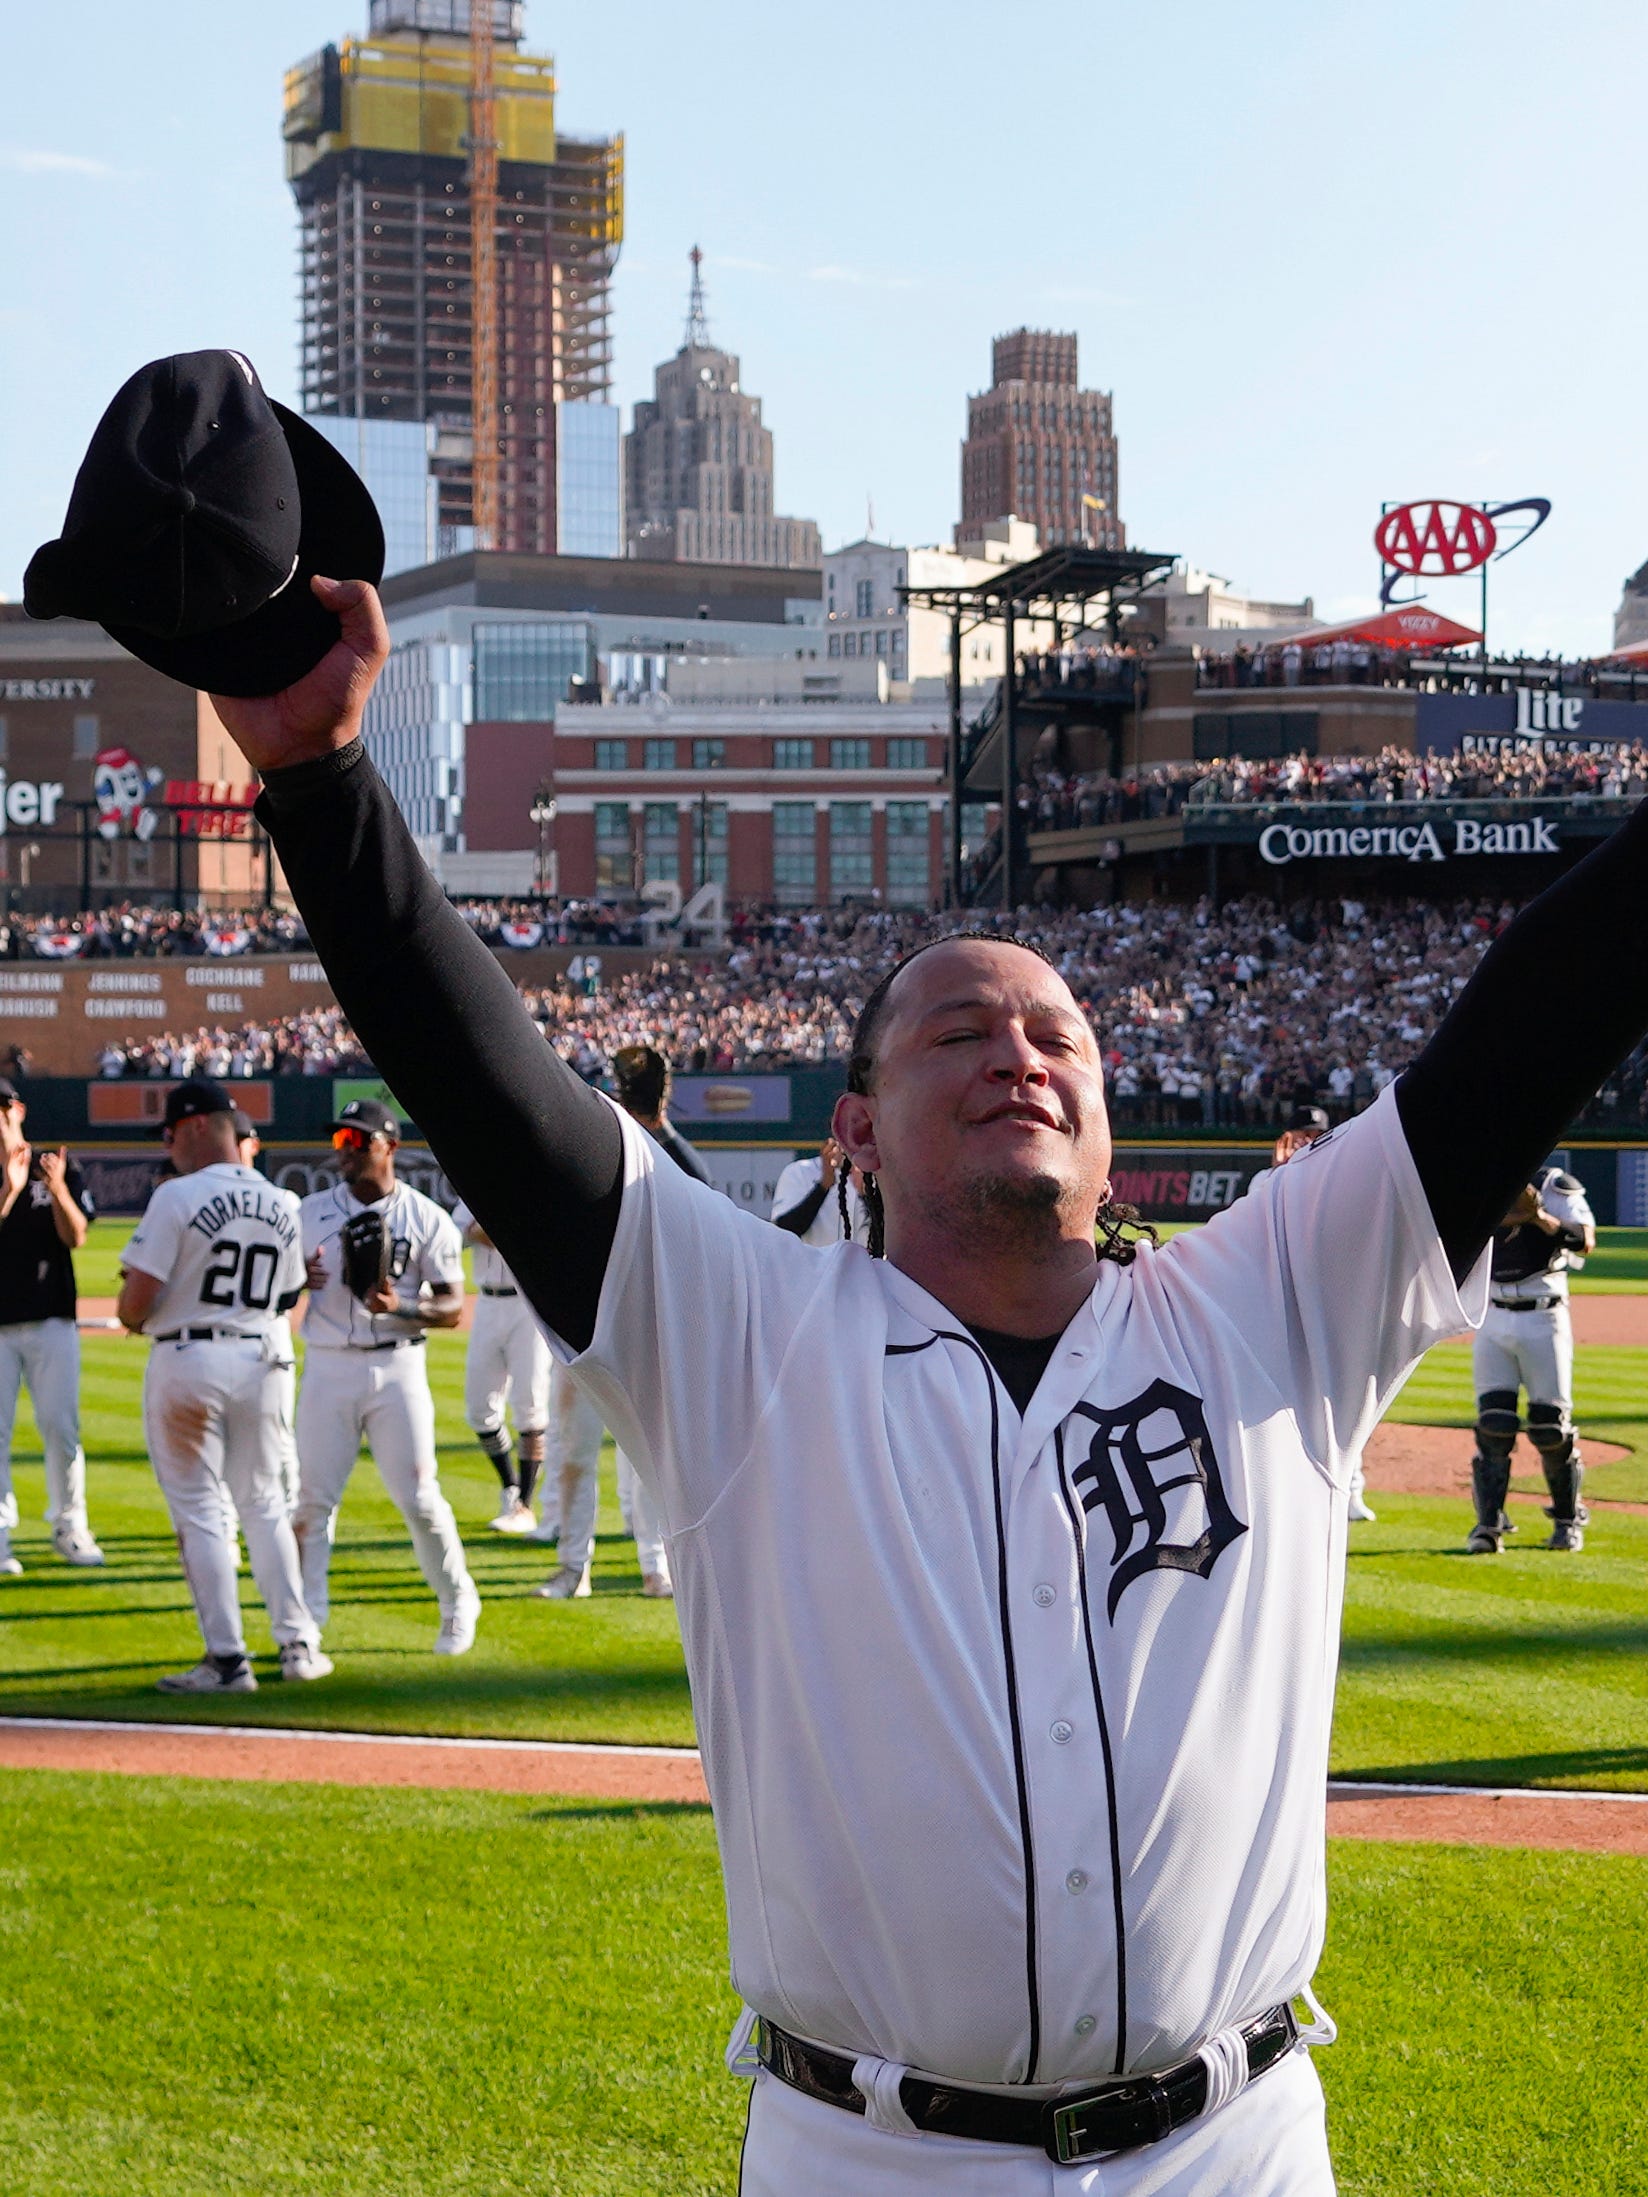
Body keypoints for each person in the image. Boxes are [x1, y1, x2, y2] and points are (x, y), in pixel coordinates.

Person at [208, 575, 1648, 2192]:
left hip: (1230, 2147)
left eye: (1054, 1037)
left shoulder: (1271, 1300)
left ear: (1104, 1132)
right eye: (956, 1031)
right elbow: (498, 1099)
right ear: (859, 1131)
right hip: (872, 2157)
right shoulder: (745, 1336)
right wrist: (321, 780)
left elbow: (1539, 1010)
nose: (1015, 1052)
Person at [115, 1080, 327, 1692]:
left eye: (173, 1130)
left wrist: (138, 1313)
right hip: (264, 1358)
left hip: (189, 1361)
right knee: (265, 1506)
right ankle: (298, 1647)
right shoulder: (286, 1203)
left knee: (203, 1512)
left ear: (203, 1125)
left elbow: (136, 1303)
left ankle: (228, 1660)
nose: (168, 1143)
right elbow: (289, 1296)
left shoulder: (177, 1195)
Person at [293, 1097, 480, 1655]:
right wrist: (295, 1278)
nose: (345, 1152)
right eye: (339, 1141)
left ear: (389, 1147)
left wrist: (398, 1308)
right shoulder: (307, 1214)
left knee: (420, 1499)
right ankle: (306, 1625)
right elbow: (275, 1292)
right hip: (327, 1366)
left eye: (357, 1141)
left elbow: (452, 1309)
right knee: (310, 1505)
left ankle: (457, 1602)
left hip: (399, 1367)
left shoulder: (427, 1218)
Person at [532, 1043, 692, 1601]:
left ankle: (656, 1567)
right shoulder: (582, 1156)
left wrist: (660, 1124)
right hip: (583, 1320)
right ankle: (574, 1568)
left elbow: (699, 1181)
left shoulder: (654, 1156)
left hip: (641, 1324)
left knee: (648, 1455)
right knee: (574, 1457)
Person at [0, 1074, 102, 1575]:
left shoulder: (53, 1164)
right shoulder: (13, 1176)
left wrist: (56, 1187)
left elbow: (76, 1235)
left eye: (3, 1107)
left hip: (51, 1318)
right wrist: (8, 1190)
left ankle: (70, 1525)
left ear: (19, 1109)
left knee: (61, 1427)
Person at [1466, 1166, 1597, 1555]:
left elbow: (1585, 1241)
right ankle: (1488, 1527)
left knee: (1550, 1428)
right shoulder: (1482, 1183)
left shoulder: (1555, 1185)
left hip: (1544, 1316)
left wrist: (1539, 1217)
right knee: (1493, 1425)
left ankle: (1567, 1520)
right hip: (1492, 1313)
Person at [1268, 1104, 1375, 1522]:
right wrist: (1282, 1175)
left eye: (1315, 1135)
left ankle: (1352, 1493)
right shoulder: (1267, 1180)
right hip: (1279, 1305)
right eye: (1300, 1133)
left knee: (1347, 1399)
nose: (1307, 1141)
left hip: (1333, 1304)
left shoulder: (1340, 1180)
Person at [453, 1197, 548, 1534]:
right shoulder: (476, 1191)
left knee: (530, 1405)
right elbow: (460, 1233)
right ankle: (510, 1488)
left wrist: (491, 1225)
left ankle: (525, 1502)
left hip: (527, 1304)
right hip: (487, 1302)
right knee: (479, 1408)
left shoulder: (538, 1191)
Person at [770, 1137, 868, 1246]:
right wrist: (823, 1186)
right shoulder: (800, 1172)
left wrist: (866, 1194)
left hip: (865, 1262)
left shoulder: (877, 1176)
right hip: (812, 1263)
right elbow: (784, 1231)